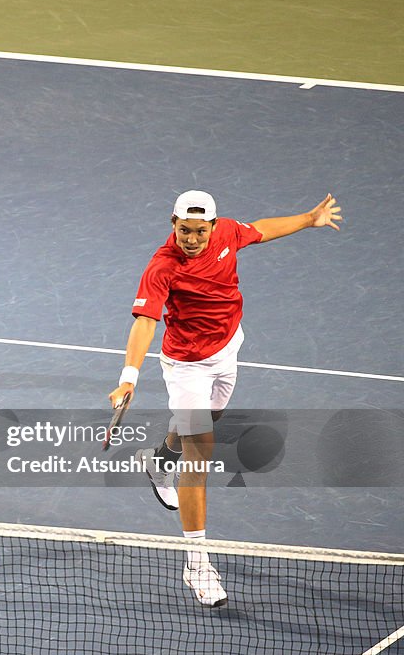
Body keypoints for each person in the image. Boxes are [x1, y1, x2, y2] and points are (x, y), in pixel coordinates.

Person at [108, 190, 342, 607]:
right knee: (200, 454)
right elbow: (145, 322)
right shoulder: (162, 267)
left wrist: (309, 218)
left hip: (226, 351)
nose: (192, 239)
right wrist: (128, 377)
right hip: (187, 366)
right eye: (184, 230)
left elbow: (262, 230)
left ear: (213, 227)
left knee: (205, 423)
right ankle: (197, 564)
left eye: (199, 231)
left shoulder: (228, 233)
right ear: (172, 223)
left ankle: (158, 461)